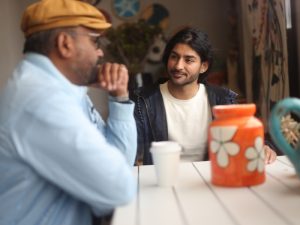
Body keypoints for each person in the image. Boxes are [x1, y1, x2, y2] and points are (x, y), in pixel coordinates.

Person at [0, 0, 137, 225]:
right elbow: (119, 187)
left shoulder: (58, 90)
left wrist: (119, 96)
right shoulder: (42, 100)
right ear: (65, 44)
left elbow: (121, 161)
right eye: (94, 41)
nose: (100, 52)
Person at [132, 27, 277, 165]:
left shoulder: (223, 100)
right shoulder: (144, 100)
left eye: (188, 60)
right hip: (161, 180)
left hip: (209, 181)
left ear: (204, 66)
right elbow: (130, 146)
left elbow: (248, 136)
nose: (178, 66)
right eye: (174, 57)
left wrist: (264, 147)